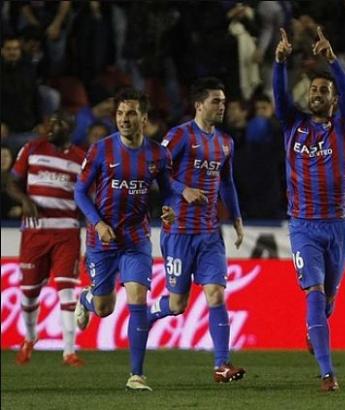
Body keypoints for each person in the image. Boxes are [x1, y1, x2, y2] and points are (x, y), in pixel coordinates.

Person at [273, 27, 345, 392]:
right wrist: (280, 63)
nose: (317, 95)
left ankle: (316, 329)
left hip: (337, 226)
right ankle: (327, 373)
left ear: (334, 100)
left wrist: (333, 62)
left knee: (327, 301)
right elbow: (279, 97)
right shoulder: (293, 125)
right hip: (304, 225)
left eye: (324, 91)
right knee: (314, 292)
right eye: (313, 90)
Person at [73, 88, 176, 391]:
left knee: (138, 300)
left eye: (130, 113)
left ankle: (136, 374)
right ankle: (87, 298)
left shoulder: (159, 154)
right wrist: (98, 223)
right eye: (120, 113)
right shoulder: (100, 150)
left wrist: (169, 209)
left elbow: (168, 190)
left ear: (144, 118)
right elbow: (80, 192)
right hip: (102, 239)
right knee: (105, 308)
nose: (124, 119)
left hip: (136, 238)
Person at [146, 77, 247, 384]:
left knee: (216, 294)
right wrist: (181, 190)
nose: (222, 106)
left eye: (224, 101)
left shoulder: (225, 142)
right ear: (199, 104)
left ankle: (221, 365)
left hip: (209, 232)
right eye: (216, 101)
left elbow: (227, 183)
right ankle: (148, 314)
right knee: (177, 306)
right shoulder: (179, 137)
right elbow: (156, 172)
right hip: (178, 231)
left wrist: (237, 219)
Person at [6, 111, 85, 367]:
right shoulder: (32, 148)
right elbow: (11, 182)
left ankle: (69, 352)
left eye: (58, 122)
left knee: (66, 290)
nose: (51, 126)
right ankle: (30, 337)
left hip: (66, 232)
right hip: (35, 231)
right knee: (29, 294)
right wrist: (24, 199)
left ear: (70, 127)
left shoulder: (80, 159)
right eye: (50, 122)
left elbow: (87, 195)